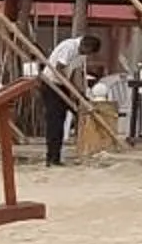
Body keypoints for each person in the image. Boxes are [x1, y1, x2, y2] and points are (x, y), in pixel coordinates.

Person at [39, 31, 102, 166]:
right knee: (55, 121)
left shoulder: (81, 55)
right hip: (51, 83)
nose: (88, 55)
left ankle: (84, 147)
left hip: (64, 84)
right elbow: (59, 68)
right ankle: (52, 158)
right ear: (85, 46)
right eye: (88, 52)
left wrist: (78, 93)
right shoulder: (69, 47)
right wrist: (69, 87)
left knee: (80, 112)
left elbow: (74, 73)